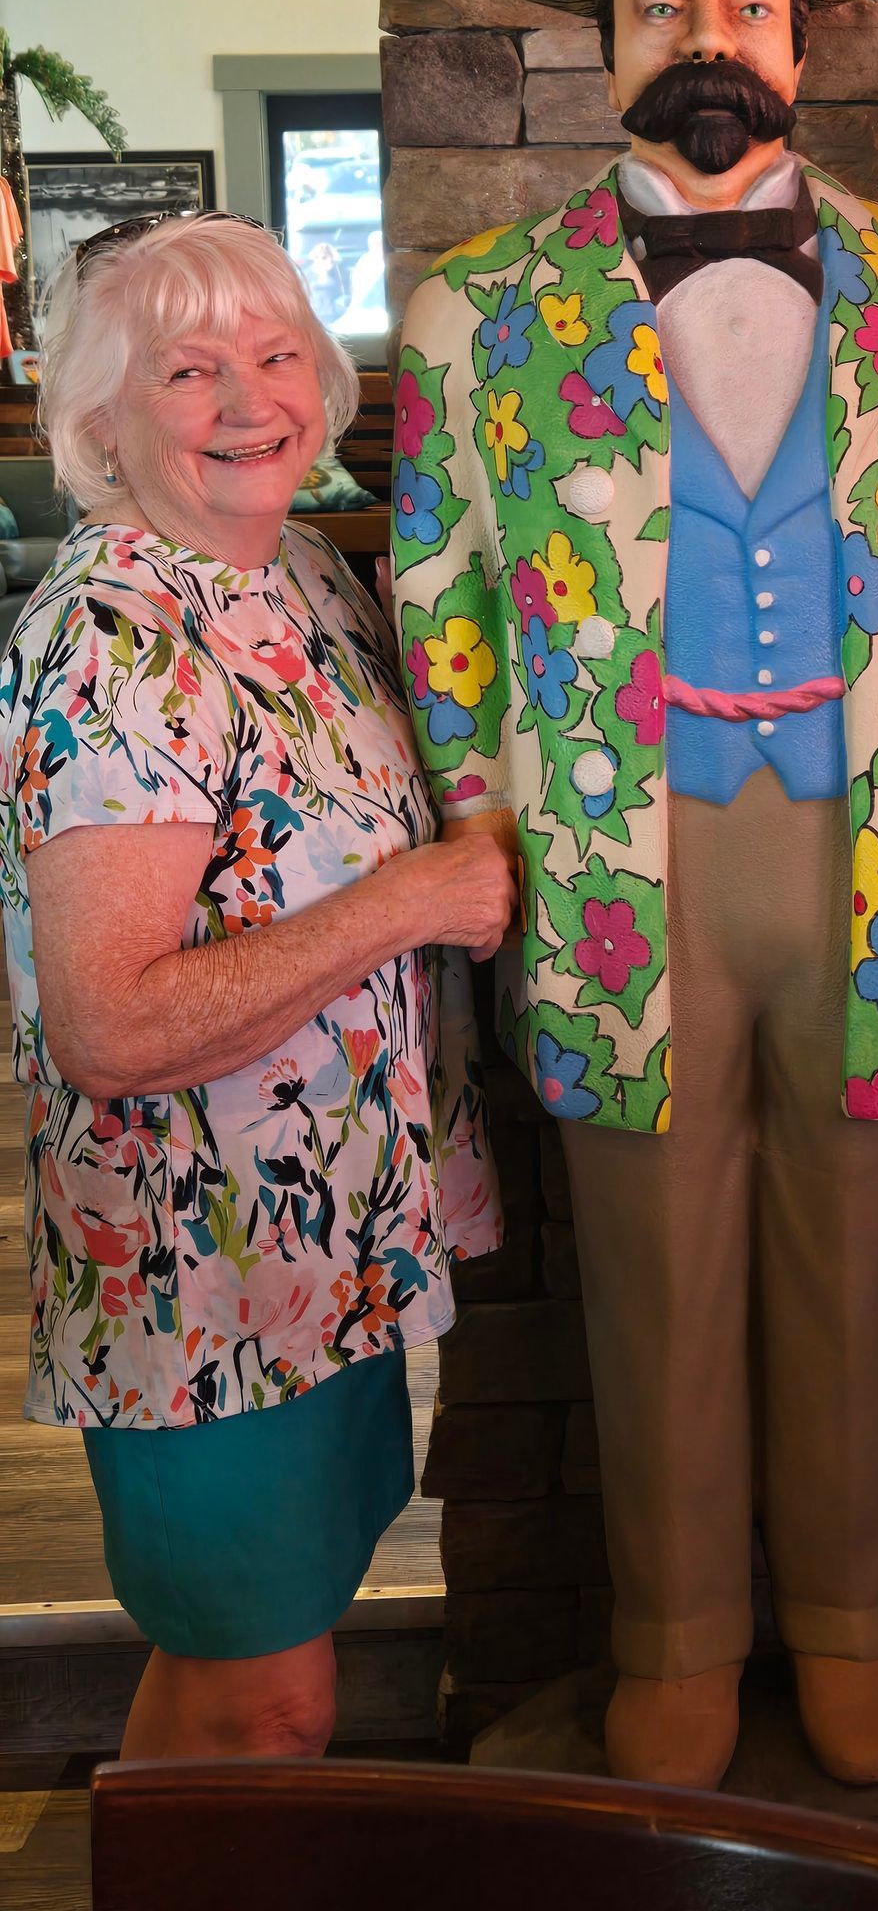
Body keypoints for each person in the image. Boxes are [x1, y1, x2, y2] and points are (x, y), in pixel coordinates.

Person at [393, 0, 878, 1792]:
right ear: (601, 29)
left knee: (852, 1248)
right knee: (653, 1256)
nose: (705, 33)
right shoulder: (477, 311)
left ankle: (855, 1610)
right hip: (613, 859)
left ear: (802, 35)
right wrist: (482, 815)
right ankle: (671, 1627)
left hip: (859, 856)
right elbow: (438, 589)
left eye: (744, 0)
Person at [0, 211, 513, 1761]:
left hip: (317, 1256)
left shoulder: (290, 569)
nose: (249, 400)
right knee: (264, 1700)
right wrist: (407, 901)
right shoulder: (112, 637)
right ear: (97, 417)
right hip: (196, 1282)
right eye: (188, 370)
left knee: (249, 1682)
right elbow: (112, 1020)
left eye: (277, 355)